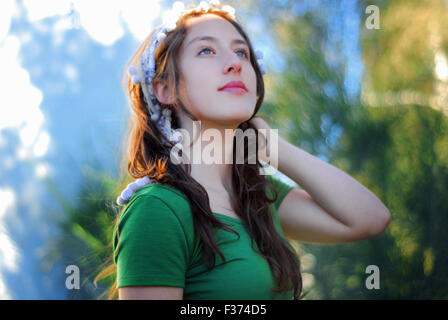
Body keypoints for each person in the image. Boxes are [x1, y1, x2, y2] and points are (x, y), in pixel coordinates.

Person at [108, 0, 391, 300]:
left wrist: (272, 146)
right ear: (164, 89)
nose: (236, 63)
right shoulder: (158, 209)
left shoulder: (260, 198)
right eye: (207, 50)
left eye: (242, 52)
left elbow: (370, 218)